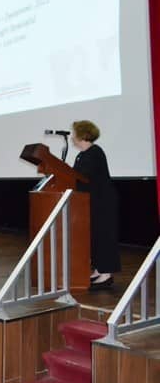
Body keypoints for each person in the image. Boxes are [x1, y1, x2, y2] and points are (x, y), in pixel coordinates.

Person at [71, 120, 120, 290]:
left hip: (102, 201)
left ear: (82, 134)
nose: (72, 136)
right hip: (91, 201)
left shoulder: (95, 152)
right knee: (95, 236)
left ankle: (106, 274)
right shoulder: (83, 154)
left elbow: (84, 176)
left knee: (103, 235)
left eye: (74, 133)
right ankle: (99, 269)